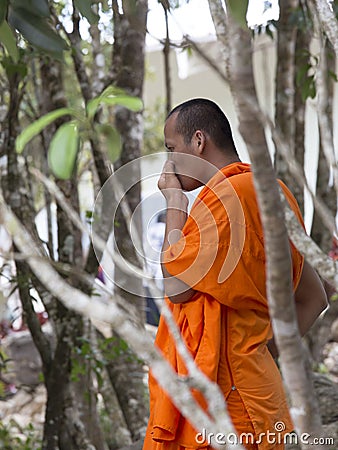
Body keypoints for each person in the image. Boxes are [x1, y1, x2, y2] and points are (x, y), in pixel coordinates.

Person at [143, 98, 328, 450]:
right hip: (257, 389)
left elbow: (177, 289)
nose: (168, 163)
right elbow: (314, 297)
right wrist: (257, 353)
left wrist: (174, 205)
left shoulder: (225, 198)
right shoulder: (273, 192)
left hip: (229, 401)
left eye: (171, 149)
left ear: (198, 141)